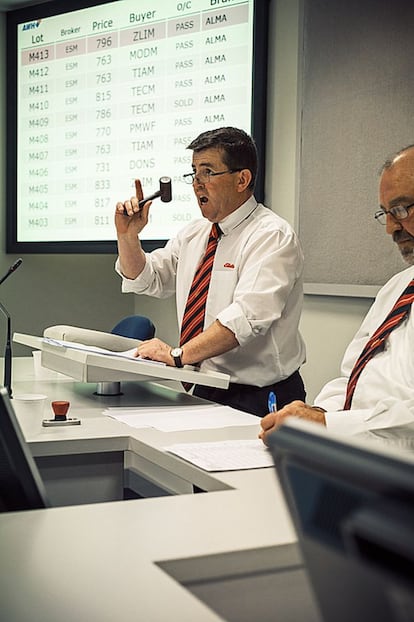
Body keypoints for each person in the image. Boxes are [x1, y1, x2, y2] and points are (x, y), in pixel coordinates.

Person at [114, 126, 306, 417]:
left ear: (242, 179)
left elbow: (246, 318)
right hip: (204, 385)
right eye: (194, 173)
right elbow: (147, 278)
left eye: (208, 172)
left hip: (260, 396)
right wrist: (128, 236)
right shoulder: (195, 233)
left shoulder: (271, 235)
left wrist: (177, 355)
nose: (196, 184)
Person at [260, 144, 414, 445]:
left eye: (401, 209)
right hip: (354, 453)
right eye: (385, 214)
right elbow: (352, 377)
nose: (391, 228)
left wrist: (328, 425)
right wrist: (314, 413)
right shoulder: (397, 288)